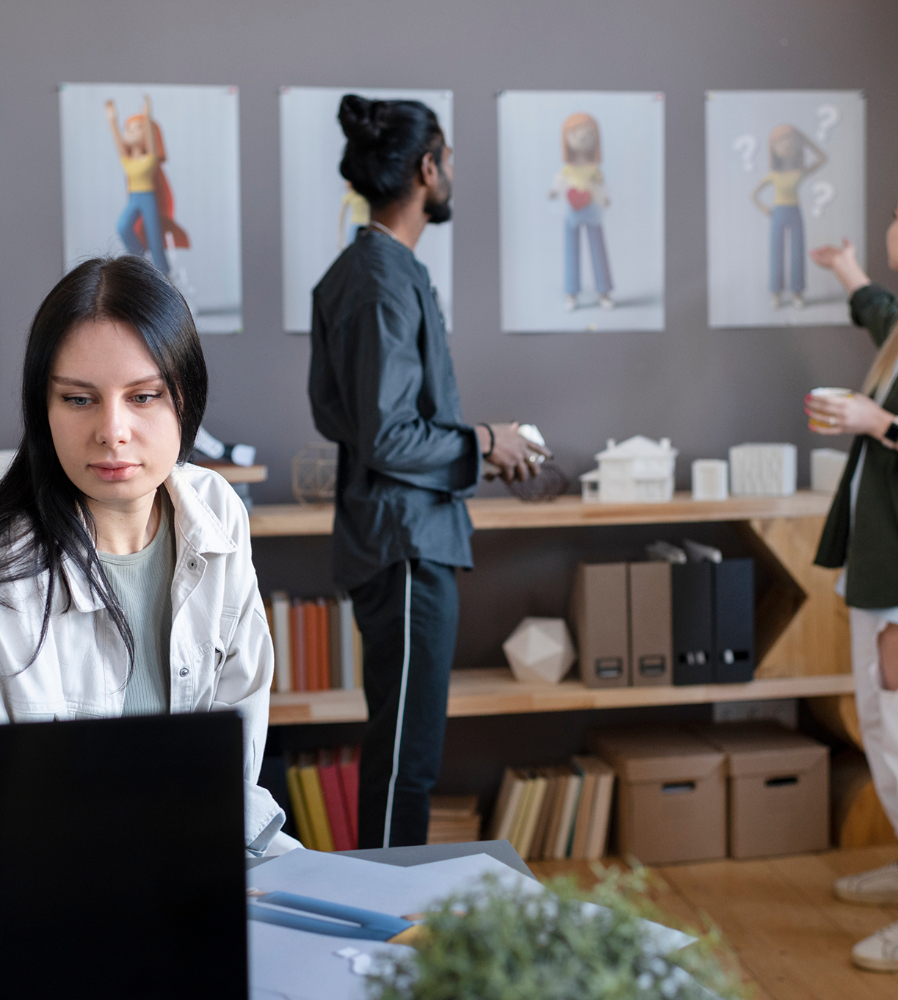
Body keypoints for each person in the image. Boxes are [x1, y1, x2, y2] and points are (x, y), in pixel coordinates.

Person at [309, 94, 548, 850]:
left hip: (395, 537)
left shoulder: (360, 272)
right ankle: (384, 936)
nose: (452, 171)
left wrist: (481, 446)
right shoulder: (382, 278)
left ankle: (384, 926)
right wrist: (484, 440)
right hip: (406, 546)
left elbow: (334, 415)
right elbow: (387, 436)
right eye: (447, 157)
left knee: (401, 750)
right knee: (406, 762)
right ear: (425, 167)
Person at [0, 255, 295, 857]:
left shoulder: (217, 513)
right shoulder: (9, 560)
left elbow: (233, 764)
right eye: (79, 400)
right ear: (42, 408)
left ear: (185, 397)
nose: (113, 430)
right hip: (49, 877)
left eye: (143, 396)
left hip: (202, 855)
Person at [808, 169, 898, 971]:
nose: (890, 223)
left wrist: (877, 421)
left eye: (897, 215)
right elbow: (883, 320)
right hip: (877, 562)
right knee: (884, 732)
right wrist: (848, 273)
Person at [105, 95, 188, 275]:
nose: (132, 132)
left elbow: (151, 142)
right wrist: (112, 119)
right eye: (129, 129)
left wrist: (147, 114)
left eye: (138, 129)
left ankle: (164, 274)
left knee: (154, 238)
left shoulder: (150, 158)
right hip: (134, 198)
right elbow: (118, 141)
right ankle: (140, 263)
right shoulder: (126, 159)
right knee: (122, 226)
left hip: (148, 197)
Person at [752, 124, 827, 309]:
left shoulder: (799, 172)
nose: (787, 145)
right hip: (778, 212)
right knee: (776, 253)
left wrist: (804, 138)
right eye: (781, 141)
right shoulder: (773, 175)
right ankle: (775, 293)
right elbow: (754, 195)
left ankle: (797, 293)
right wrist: (765, 209)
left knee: (797, 252)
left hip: (795, 211)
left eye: (791, 140)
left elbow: (822, 158)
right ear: (773, 148)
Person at [549, 112, 613, 312]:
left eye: (587, 134)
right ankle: (571, 292)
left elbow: (600, 187)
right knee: (571, 250)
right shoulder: (568, 169)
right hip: (572, 212)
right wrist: (555, 191)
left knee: (598, 249)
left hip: (592, 210)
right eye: (575, 134)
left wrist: (603, 198)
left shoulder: (594, 169)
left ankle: (604, 291)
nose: (582, 139)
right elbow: (559, 182)